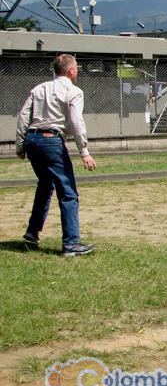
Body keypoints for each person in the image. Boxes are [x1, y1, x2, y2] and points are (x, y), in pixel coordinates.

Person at [15, 53, 97, 257]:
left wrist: (20, 145)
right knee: (68, 192)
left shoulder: (39, 88)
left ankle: (32, 232)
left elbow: (24, 115)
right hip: (51, 140)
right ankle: (71, 244)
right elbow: (76, 121)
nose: (77, 72)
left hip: (33, 140)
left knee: (45, 184)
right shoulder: (74, 91)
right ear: (71, 71)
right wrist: (84, 151)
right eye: (77, 69)